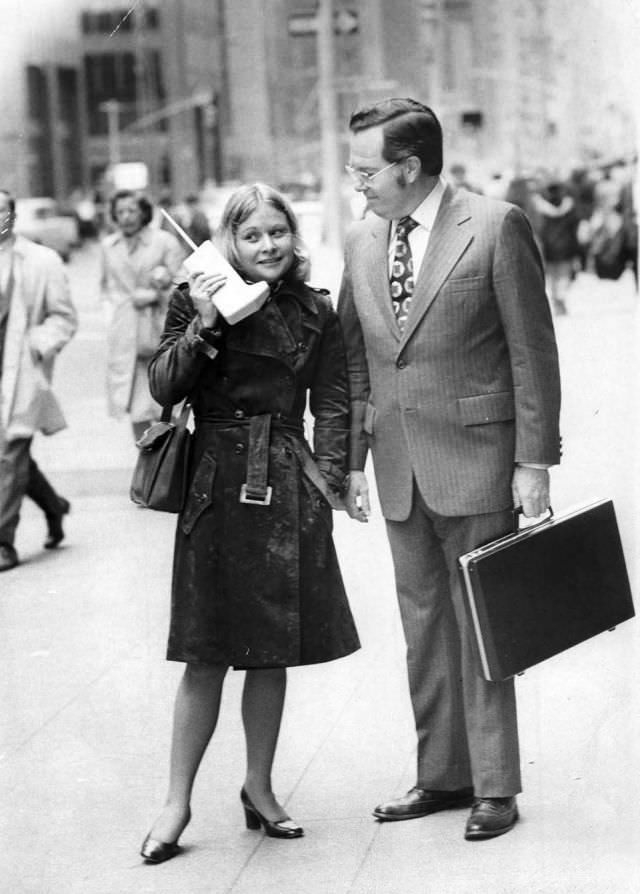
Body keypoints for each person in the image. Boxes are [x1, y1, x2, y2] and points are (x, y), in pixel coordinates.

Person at [338, 98, 561, 841]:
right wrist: (354, 462)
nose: (355, 181)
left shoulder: (496, 226)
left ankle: (496, 787)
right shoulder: (362, 239)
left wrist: (534, 461)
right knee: (424, 628)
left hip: (478, 459)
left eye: (365, 168)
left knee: (481, 622)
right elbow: (357, 360)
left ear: (409, 167)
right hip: (400, 465)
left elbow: (532, 354)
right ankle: (441, 776)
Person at [140, 183, 360, 864]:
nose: (267, 246)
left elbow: (333, 401)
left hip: (286, 484)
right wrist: (207, 320)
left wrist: (326, 481)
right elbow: (163, 387)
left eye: (277, 233)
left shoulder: (313, 308)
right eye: (251, 235)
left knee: (271, 650)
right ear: (227, 241)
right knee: (204, 651)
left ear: (294, 238)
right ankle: (176, 802)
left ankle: (259, 788)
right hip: (213, 485)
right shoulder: (196, 298)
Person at [0, 189, 77, 572]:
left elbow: (64, 318)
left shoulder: (40, 261)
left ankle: (3, 542)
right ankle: (54, 505)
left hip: (20, 374)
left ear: (13, 216)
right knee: (13, 461)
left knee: (10, 452)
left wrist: (38, 343)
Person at [100, 190, 185, 442]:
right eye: (120, 212)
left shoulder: (164, 242)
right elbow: (105, 288)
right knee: (136, 413)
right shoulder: (109, 246)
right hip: (127, 337)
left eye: (132, 210)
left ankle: (170, 472)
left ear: (144, 212)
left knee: (168, 413)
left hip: (161, 329)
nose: (126, 217)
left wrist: (156, 293)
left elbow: (184, 284)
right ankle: (147, 473)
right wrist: (112, 317)